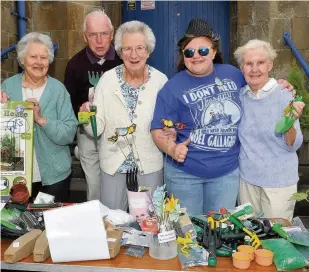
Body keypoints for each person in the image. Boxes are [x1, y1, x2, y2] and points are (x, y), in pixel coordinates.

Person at [150, 18, 294, 215]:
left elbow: (259, 83)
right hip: (185, 175)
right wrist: (173, 149)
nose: (196, 56)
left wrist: (281, 85)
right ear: (183, 55)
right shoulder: (172, 88)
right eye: (189, 52)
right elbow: (158, 130)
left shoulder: (233, 75)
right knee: (189, 234)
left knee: (221, 233)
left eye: (203, 51)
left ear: (214, 51)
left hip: (226, 175)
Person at [80, 21, 168, 210]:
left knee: (149, 222)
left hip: (149, 163)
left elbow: (168, 125)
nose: (133, 55)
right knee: (113, 224)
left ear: (148, 51)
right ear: (120, 52)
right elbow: (97, 129)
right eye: (127, 48)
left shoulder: (161, 81)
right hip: (113, 164)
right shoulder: (107, 80)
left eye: (139, 48)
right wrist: (88, 118)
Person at [1, 32, 78, 202]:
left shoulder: (58, 90)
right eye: (33, 56)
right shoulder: (8, 86)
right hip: (16, 175)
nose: (39, 62)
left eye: (44, 57)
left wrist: (42, 120)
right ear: (22, 60)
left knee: (51, 225)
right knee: (18, 226)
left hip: (54, 175)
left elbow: (69, 133)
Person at [234, 40, 304, 221]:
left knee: (276, 239)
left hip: (278, 184)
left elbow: (293, 145)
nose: (254, 69)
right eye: (249, 64)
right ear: (242, 67)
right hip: (247, 181)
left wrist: (289, 123)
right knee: (250, 237)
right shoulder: (241, 96)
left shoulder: (284, 94)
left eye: (260, 63)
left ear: (270, 65)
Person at [64, 9, 122, 201]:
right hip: (88, 134)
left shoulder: (125, 60)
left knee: (118, 185)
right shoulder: (74, 65)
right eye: (92, 35)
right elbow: (69, 104)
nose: (99, 40)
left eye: (104, 34)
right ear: (84, 36)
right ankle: (97, 224)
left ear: (112, 34)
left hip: (118, 133)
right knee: (95, 188)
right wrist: (80, 111)